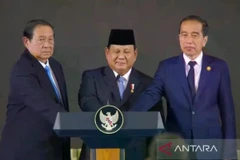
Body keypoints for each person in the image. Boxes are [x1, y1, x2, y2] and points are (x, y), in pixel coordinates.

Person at [130, 15, 237, 159]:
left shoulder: (219, 67)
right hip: (176, 145)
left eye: (195, 35)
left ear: (204, 40)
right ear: (179, 38)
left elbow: (227, 112)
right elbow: (151, 94)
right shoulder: (167, 67)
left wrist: (229, 152)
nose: (189, 40)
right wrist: (129, 117)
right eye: (184, 35)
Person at [78, 29, 163, 160]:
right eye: (116, 51)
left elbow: (157, 123)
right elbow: (86, 101)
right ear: (107, 53)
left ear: (135, 54)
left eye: (127, 52)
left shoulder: (148, 83)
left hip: (136, 153)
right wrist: (111, 120)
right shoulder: (92, 77)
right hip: (99, 150)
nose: (121, 56)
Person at [0, 19, 70, 160]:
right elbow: (44, 105)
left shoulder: (55, 66)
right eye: (41, 40)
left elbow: (61, 103)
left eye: (51, 39)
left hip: (52, 147)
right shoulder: (21, 70)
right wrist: (75, 123)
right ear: (26, 42)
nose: (47, 45)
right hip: (26, 150)